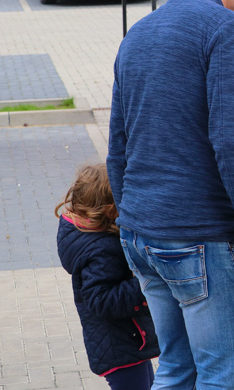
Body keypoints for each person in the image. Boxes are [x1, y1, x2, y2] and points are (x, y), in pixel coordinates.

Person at [108, 0, 234, 389]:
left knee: (177, 372)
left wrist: (131, 218)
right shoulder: (229, 30)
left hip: (144, 234)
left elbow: (117, 145)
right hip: (201, 238)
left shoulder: (138, 32)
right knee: (224, 377)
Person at [55, 164, 159, 390]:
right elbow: (101, 300)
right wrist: (144, 280)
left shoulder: (89, 236)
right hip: (120, 346)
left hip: (128, 342)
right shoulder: (102, 248)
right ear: (111, 210)